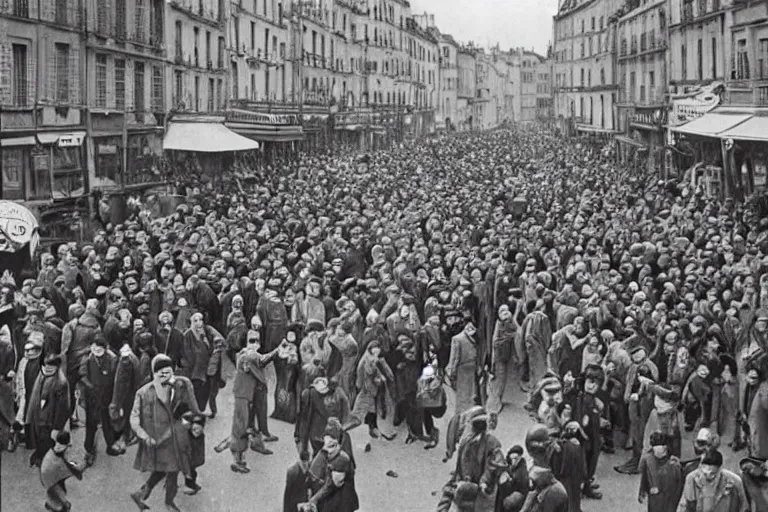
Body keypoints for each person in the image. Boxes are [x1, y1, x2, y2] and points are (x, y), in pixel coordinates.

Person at [129, 354, 202, 512]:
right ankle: (165, 502)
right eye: (160, 372)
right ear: (154, 373)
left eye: (168, 372)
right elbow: (134, 419)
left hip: (174, 437)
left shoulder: (179, 385)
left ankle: (148, 495)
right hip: (157, 439)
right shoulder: (143, 392)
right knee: (169, 469)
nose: (165, 375)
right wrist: (145, 436)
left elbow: (190, 406)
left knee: (169, 469)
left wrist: (193, 419)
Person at [80, 334, 119, 466]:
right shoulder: (87, 359)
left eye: (100, 350)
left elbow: (115, 375)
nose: (97, 353)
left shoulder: (111, 358)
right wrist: (90, 387)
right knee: (91, 423)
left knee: (108, 421)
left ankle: (110, 444)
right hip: (92, 395)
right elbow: (83, 375)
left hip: (107, 394)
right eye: (95, 349)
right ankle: (89, 451)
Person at [27, 354, 70, 467]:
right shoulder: (43, 375)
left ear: (57, 367)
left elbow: (62, 408)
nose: (47, 369)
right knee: (41, 440)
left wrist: (56, 427)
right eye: (46, 366)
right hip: (40, 417)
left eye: (51, 367)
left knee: (47, 442)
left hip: (49, 421)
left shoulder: (61, 382)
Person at [680, 448, 747, 512]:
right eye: (705, 473)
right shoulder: (691, 479)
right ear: (701, 467)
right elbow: (683, 506)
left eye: (713, 474)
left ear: (720, 468)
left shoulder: (735, 481)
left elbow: (743, 506)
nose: (708, 476)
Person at [637, 431, 683, 512]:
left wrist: (676, 500)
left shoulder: (674, 464)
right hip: (655, 495)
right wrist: (642, 491)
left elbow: (679, 485)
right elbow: (644, 477)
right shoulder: (647, 459)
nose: (659, 449)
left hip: (669, 496)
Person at [39, 431, 84, 512]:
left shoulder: (55, 448)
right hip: (52, 476)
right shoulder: (62, 452)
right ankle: (57, 507)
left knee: (55, 490)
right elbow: (67, 466)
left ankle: (52, 504)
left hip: (46, 473)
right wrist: (78, 469)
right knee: (60, 491)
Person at [447, 322, 480, 415]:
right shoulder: (475, 337)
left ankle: (461, 414)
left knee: (461, 394)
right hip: (472, 367)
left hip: (462, 369)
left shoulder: (456, 339)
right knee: (471, 392)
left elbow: (454, 357)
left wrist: (452, 372)